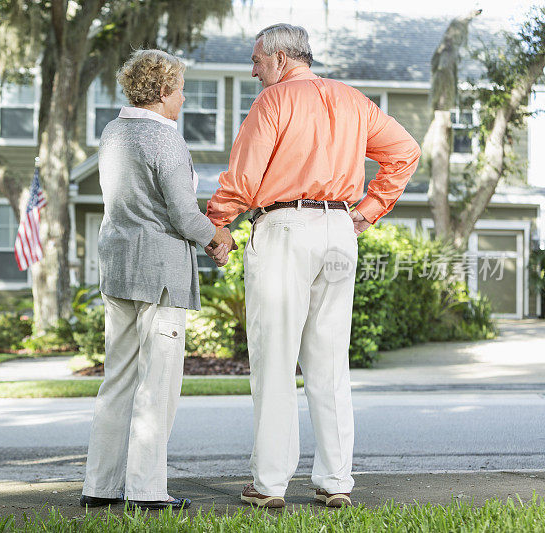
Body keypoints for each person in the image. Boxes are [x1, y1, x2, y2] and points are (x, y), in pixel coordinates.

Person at [206, 24, 421, 508]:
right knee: (329, 362)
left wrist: (217, 224)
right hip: (340, 231)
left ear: (281, 59)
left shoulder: (273, 101)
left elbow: (242, 177)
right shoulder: (353, 100)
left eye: (258, 60)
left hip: (284, 229)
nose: (254, 70)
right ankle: (335, 482)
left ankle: (269, 484)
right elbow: (405, 152)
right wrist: (367, 211)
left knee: (275, 359)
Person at [80, 49, 234, 511]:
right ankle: (148, 491)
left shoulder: (113, 132)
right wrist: (219, 236)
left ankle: (100, 485)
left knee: (118, 379)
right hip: (159, 273)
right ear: (163, 91)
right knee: (158, 383)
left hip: (118, 267)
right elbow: (184, 215)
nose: (184, 98)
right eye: (181, 89)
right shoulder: (165, 138)